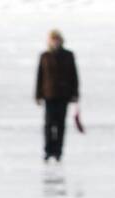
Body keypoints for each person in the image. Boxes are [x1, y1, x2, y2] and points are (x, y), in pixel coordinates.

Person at [35, 29, 79, 162]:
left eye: (57, 39)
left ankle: (58, 151)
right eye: (53, 39)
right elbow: (39, 76)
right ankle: (48, 151)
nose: (55, 41)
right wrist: (38, 95)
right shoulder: (45, 56)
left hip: (63, 95)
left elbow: (74, 76)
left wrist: (75, 94)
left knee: (60, 125)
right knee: (49, 125)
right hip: (49, 95)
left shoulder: (68, 55)